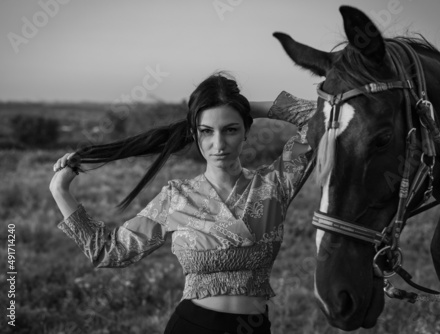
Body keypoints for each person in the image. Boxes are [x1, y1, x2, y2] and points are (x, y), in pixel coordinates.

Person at [49, 73, 317, 334]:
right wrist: (60, 190)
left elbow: (319, 117)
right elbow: (111, 251)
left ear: (247, 130)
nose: (218, 143)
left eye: (231, 129)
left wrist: (246, 108)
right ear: (194, 133)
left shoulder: (274, 184)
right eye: (206, 131)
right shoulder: (177, 197)